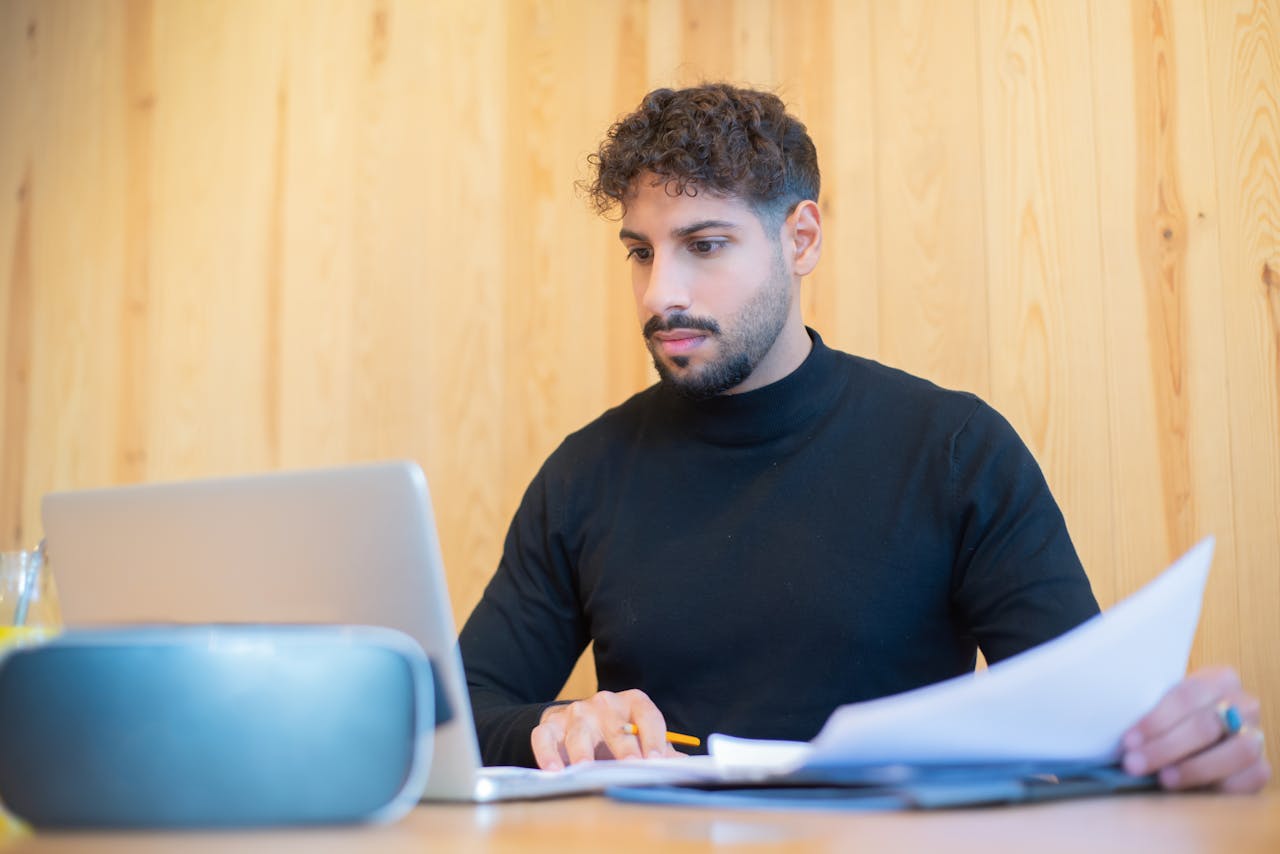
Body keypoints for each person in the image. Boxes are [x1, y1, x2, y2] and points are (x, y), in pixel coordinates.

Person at [458, 83, 1269, 793]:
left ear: (801, 238)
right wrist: (555, 725)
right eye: (641, 253)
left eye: (704, 246)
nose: (659, 293)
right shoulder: (586, 473)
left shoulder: (955, 450)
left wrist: (1189, 744)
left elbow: (1092, 733)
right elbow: (458, 714)